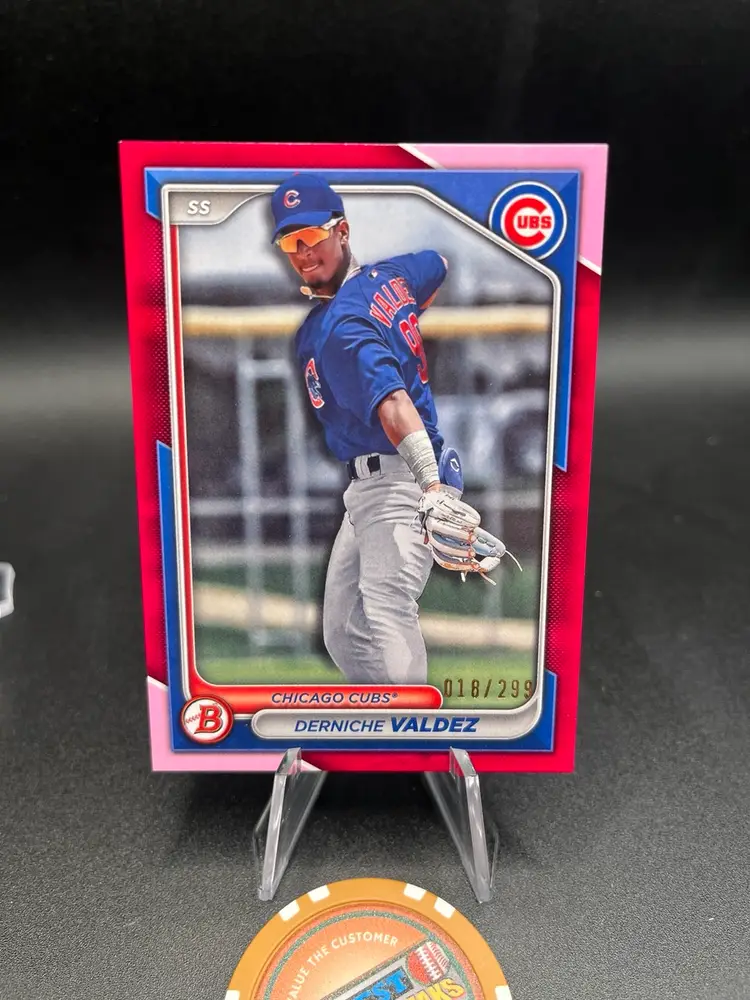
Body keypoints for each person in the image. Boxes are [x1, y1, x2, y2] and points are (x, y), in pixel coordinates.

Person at [270, 173, 505, 685]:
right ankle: (388, 714)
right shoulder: (391, 278)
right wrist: (401, 314)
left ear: (342, 231)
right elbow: (438, 264)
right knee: (341, 629)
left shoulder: (342, 327)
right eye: (289, 242)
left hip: (403, 481)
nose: (302, 253)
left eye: (311, 236)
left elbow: (394, 404)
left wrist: (431, 486)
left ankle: (412, 724)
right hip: (369, 489)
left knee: (387, 603)